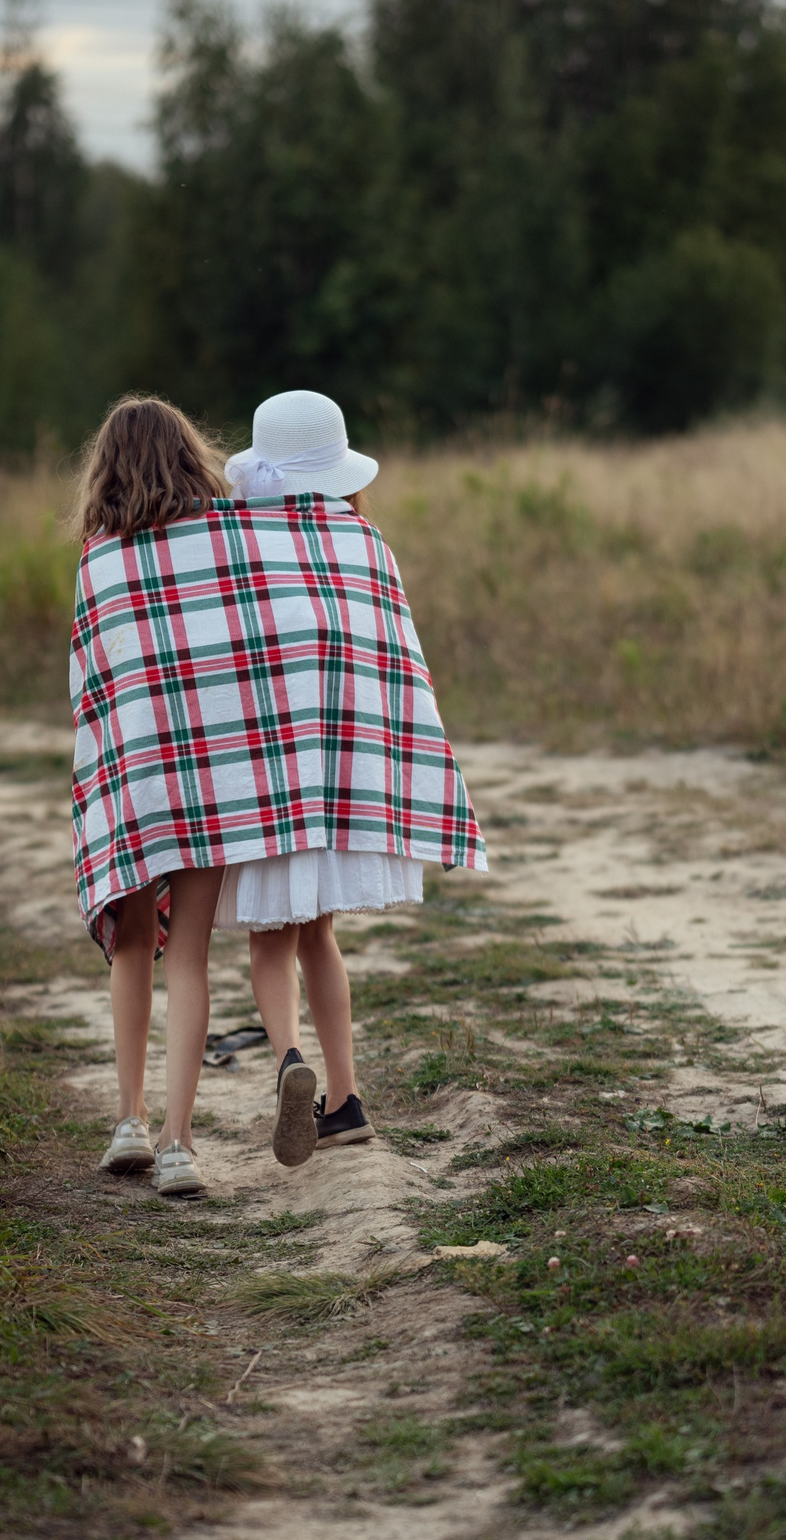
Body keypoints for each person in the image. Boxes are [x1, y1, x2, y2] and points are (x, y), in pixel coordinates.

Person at [68, 391, 485, 1197]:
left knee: (186, 943)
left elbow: (109, 680)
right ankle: (263, 1118)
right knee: (261, 944)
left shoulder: (121, 556)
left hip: (184, 779)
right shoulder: (302, 541)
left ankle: (157, 1107)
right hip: (275, 781)